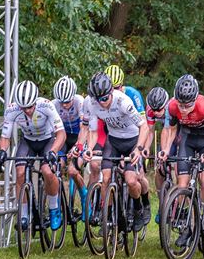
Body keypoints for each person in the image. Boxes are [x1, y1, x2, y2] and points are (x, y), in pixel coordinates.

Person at [157, 75, 204, 243]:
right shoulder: (172, 106)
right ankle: (187, 227)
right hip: (188, 139)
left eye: (188, 105)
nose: (183, 109)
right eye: (181, 105)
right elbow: (170, 129)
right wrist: (165, 150)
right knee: (182, 185)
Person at [82, 73, 149, 230]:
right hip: (113, 141)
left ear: (111, 92)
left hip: (132, 141)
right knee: (105, 178)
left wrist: (139, 149)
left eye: (105, 98)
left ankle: (138, 208)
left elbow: (144, 126)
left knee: (131, 180)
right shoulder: (93, 103)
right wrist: (90, 149)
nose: (102, 103)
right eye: (99, 99)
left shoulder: (123, 101)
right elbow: (92, 131)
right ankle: (109, 214)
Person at [0, 80, 67, 231]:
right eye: (23, 107)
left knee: (47, 171)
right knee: (20, 173)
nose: (27, 110)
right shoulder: (11, 110)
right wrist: (2, 151)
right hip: (28, 141)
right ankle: (23, 214)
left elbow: (61, 134)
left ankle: (54, 208)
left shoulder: (46, 106)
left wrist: (53, 151)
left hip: (48, 140)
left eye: (30, 106)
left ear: (35, 101)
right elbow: (5, 137)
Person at [52, 76, 87, 211]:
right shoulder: (54, 104)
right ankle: (57, 204)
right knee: (56, 167)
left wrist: (78, 146)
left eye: (67, 101)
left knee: (73, 171)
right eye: (62, 102)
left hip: (79, 136)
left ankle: (84, 196)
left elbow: (84, 128)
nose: (65, 105)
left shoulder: (80, 102)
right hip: (64, 138)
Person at [143, 86, 173, 224]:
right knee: (159, 170)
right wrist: (147, 147)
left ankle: (178, 206)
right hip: (166, 134)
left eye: (160, 109)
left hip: (178, 134)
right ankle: (162, 204)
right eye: (154, 110)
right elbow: (149, 130)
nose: (157, 112)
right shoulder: (150, 109)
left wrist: (165, 150)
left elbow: (167, 130)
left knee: (178, 170)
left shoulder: (171, 107)